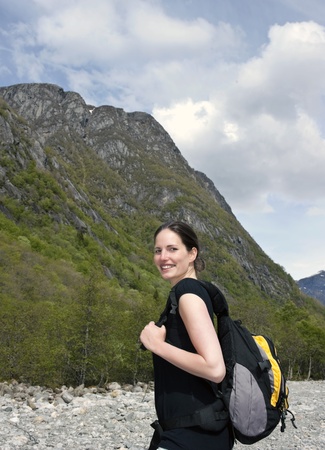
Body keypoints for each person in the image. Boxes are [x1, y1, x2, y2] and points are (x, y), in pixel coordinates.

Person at [140, 220, 234, 450]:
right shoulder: (187, 292)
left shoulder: (187, 293)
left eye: (173, 249)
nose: (163, 257)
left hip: (195, 435)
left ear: (192, 253)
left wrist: (157, 345)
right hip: (192, 430)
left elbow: (214, 369)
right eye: (158, 250)